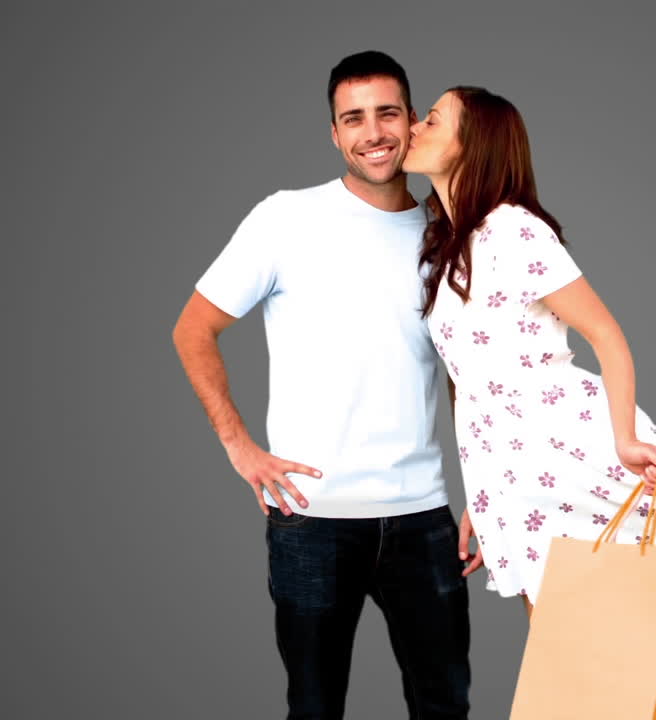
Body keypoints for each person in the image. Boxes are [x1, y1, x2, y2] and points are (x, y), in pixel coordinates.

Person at [401, 86, 656, 614]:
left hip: (580, 448)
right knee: (567, 651)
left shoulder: (516, 231)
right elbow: (468, 378)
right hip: (510, 476)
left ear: (473, 145)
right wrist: (479, 490)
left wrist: (625, 439)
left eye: (431, 121)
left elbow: (606, 335)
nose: (412, 128)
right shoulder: (444, 251)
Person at [171, 52, 472, 719]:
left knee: (445, 705)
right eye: (353, 118)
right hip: (312, 519)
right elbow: (194, 329)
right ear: (334, 134)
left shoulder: (445, 234)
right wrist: (239, 446)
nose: (373, 133)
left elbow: (467, 376)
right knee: (313, 707)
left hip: (424, 518)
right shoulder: (285, 219)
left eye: (387, 113)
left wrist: (481, 488)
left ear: (413, 122)